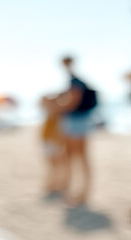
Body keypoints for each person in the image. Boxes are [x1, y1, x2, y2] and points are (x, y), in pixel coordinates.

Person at [53, 55, 98, 206]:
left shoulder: (75, 81)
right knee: (70, 155)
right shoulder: (74, 80)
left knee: (79, 156)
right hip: (76, 121)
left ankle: (83, 191)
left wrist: (55, 106)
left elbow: (72, 102)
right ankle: (70, 187)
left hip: (77, 122)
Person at [40, 94, 66, 198]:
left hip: (54, 141)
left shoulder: (58, 113)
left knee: (55, 164)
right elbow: (43, 100)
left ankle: (57, 182)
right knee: (51, 163)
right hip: (48, 139)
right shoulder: (51, 112)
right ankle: (53, 182)